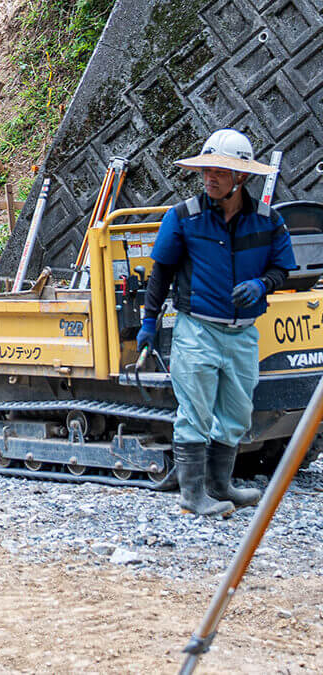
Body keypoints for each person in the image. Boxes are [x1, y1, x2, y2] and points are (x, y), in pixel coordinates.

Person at [138, 128, 295, 517]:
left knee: (236, 414)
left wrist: (262, 285)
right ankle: (192, 495)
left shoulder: (267, 221)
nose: (210, 178)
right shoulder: (183, 218)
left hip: (242, 333)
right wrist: (148, 323)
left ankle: (219, 485)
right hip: (197, 330)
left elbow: (282, 270)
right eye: (206, 171)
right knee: (194, 412)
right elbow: (161, 273)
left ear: (241, 177)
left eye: (219, 172)